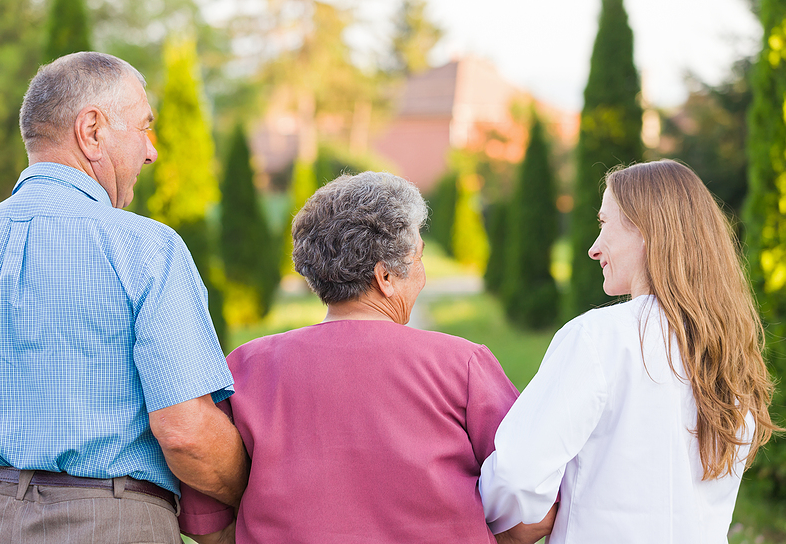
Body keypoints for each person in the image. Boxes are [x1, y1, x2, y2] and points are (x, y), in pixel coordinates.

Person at [0, 51, 247, 544]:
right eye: (143, 127)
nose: (151, 151)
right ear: (92, 130)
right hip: (108, 523)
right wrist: (252, 491)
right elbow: (186, 432)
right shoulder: (147, 249)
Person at [178, 171, 556, 544]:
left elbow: (206, 519)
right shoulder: (462, 365)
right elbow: (532, 506)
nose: (422, 275)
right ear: (386, 277)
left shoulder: (245, 367)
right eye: (418, 258)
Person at [478, 160, 779, 543]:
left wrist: (499, 520)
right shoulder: (727, 354)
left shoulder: (598, 338)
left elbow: (517, 474)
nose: (593, 248)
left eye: (604, 224)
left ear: (647, 231)